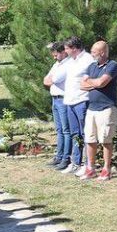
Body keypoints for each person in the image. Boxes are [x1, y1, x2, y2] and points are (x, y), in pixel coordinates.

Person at [78, 41, 117, 181]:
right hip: (91, 108)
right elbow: (82, 85)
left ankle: (106, 169)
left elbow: (102, 82)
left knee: (105, 139)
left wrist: (93, 82)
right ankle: (90, 168)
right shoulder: (91, 66)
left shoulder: (112, 65)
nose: (92, 54)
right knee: (90, 139)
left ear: (102, 52)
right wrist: (94, 83)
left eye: (94, 52)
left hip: (106, 108)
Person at [57, 36, 94, 174]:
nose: (65, 51)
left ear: (74, 48)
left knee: (86, 133)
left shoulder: (88, 59)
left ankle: (87, 163)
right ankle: (75, 162)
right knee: (74, 133)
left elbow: (91, 79)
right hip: (70, 101)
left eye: (67, 48)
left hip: (82, 100)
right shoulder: (70, 61)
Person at [44, 42, 72, 170]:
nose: (54, 57)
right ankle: (59, 156)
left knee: (66, 130)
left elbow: (54, 80)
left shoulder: (67, 64)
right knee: (59, 130)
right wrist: (50, 79)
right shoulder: (57, 64)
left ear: (63, 52)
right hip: (55, 99)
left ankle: (66, 158)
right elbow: (46, 80)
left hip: (63, 99)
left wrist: (51, 79)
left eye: (56, 55)